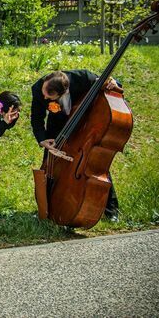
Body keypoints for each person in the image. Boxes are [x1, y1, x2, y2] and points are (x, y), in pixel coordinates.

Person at [30, 70, 120, 220]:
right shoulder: (39, 88)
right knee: (50, 165)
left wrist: (114, 82)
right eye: (44, 93)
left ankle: (111, 210)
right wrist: (42, 139)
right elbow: (36, 117)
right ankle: (46, 208)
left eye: (49, 96)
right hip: (57, 128)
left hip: (83, 126)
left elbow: (108, 82)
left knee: (94, 163)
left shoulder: (83, 78)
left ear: (63, 91)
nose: (44, 97)